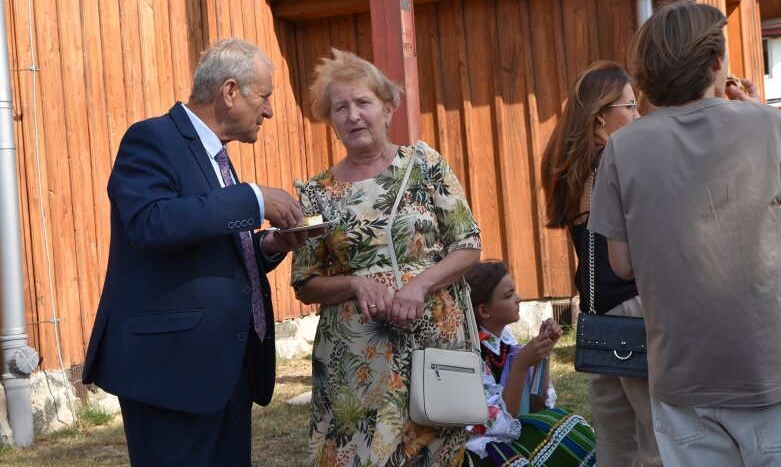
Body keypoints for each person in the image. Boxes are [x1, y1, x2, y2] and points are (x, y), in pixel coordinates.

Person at [82, 38, 322, 466]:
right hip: (170, 374)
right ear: (229, 92)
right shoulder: (151, 138)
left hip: (228, 371)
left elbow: (210, 242)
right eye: (264, 97)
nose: (268, 111)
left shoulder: (216, 157)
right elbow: (151, 223)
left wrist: (268, 244)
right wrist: (253, 199)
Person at [588, 0, 781, 466]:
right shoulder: (772, 126)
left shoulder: (623, 147)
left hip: (679, 373)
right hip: (767, 367)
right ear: (716, 61)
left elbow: (622, 264)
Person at [291, 48, 482, 465]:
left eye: (363, 102)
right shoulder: (315, 192)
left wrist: (419, 285)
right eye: (340, 107)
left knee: (432, 451)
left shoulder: (426, 165)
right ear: (331, 121)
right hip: (354, 361)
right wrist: (355, 282)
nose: (353, 115)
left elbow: (468, 245)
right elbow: (304, 282)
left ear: (388, 107)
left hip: (432, 347)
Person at [540, 61, 661, 466]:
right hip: (633, 307)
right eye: (629, 106)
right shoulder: (616, 162)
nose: (637, 114)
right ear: (601, 117)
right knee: (655, 437)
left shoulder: (567, 168)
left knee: (613, 440)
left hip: (598, 317)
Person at [463, 260, 596, 467]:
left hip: (514, 431)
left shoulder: (506, 341)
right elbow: (503, 428)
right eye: (509, 296)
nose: (519, 298)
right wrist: (521, 366)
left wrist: (544, 352)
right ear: (484, 311)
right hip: (486, 448)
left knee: (575, 432)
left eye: (514, 291)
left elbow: (538, 407)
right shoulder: (473, 355)